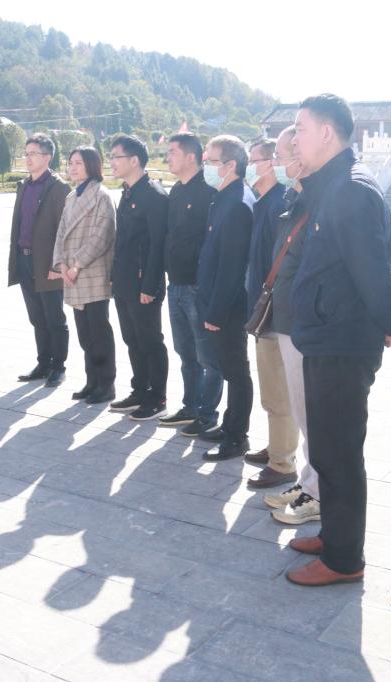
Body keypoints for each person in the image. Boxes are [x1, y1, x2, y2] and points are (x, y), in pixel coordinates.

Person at [285, 95, 391, 587]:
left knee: (339, 453)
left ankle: (344, 559)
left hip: (343, 342)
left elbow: (373, 272)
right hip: (325, 336)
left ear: (327, 133)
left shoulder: (351, 190)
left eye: (300, 128)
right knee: (327, 452)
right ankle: (334, 534)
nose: (294, 139)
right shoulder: (331, 186)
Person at [262, 126, 324, 523]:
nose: (279, 163)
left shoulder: (324, 201)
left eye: (284, 155)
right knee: (302, 411)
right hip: (286, 317)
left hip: (305, 323)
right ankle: (308, 482)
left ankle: (317, 493)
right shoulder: (296, 199)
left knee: (313, 413)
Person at [159, 132, 222, 437]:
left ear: (191, 157)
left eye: (172, 152)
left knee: (208, 356)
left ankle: (208, 415)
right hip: (176, 284)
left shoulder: (209, 191)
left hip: (198, 286)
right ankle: (190, 407)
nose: (167, 158)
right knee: (185, 352)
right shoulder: (176, 191)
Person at [243, 138, 297, 488]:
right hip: (264, 309)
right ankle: (277, 446)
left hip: (275, 313)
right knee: (272, 390)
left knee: (278, 392)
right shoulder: (268, 201)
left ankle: (282, 461)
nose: (252, 167)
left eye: (276, 156)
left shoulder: (280, 201)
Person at [196, 135, 254, 462]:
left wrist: (216, 313)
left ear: (231, 165)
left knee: (236, 372)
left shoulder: (238, 204)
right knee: (229, 368)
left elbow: (232, 267)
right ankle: (230, 425)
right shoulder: (223, 197)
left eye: (211, 161)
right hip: (216, 302)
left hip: (228, 308)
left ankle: (236, 437)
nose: (206, 166)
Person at [108, 134, 170, 421]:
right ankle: (140, 390)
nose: (111, 162)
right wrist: (114, 277)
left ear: (134, 160)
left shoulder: (153, 195)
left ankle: (157, 397)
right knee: (132, 338)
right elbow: (122, 241)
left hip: (144, 283)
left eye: (116, 157)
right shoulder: (128, 192)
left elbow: (158, 245)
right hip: (124, 281)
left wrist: (151, 285)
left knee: (150, 340)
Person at [51, 146, 117, 404]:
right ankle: (92, 381)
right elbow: (61, 233)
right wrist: (61, 264)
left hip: (92, 272)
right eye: (71, 163)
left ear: (92, 165)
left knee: (99, 333)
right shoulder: (71, 196)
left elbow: (102, 235)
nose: (73, 167)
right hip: (72, 273)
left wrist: (77, 264)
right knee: (85, 334)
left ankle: (106, 384)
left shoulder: (102, 195)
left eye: (78, 163)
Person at [8, 134, 71, 387]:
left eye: (33, 153)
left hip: (47, 263)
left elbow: (65, 231)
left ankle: (59, 366)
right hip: (24, 260)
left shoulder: (58, 188)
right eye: (26, 153)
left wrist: (58, 265)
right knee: (37, 317)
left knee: (54, 317)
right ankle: (43, 363)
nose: (28, 158)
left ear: (47, 157)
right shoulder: (24, 185)